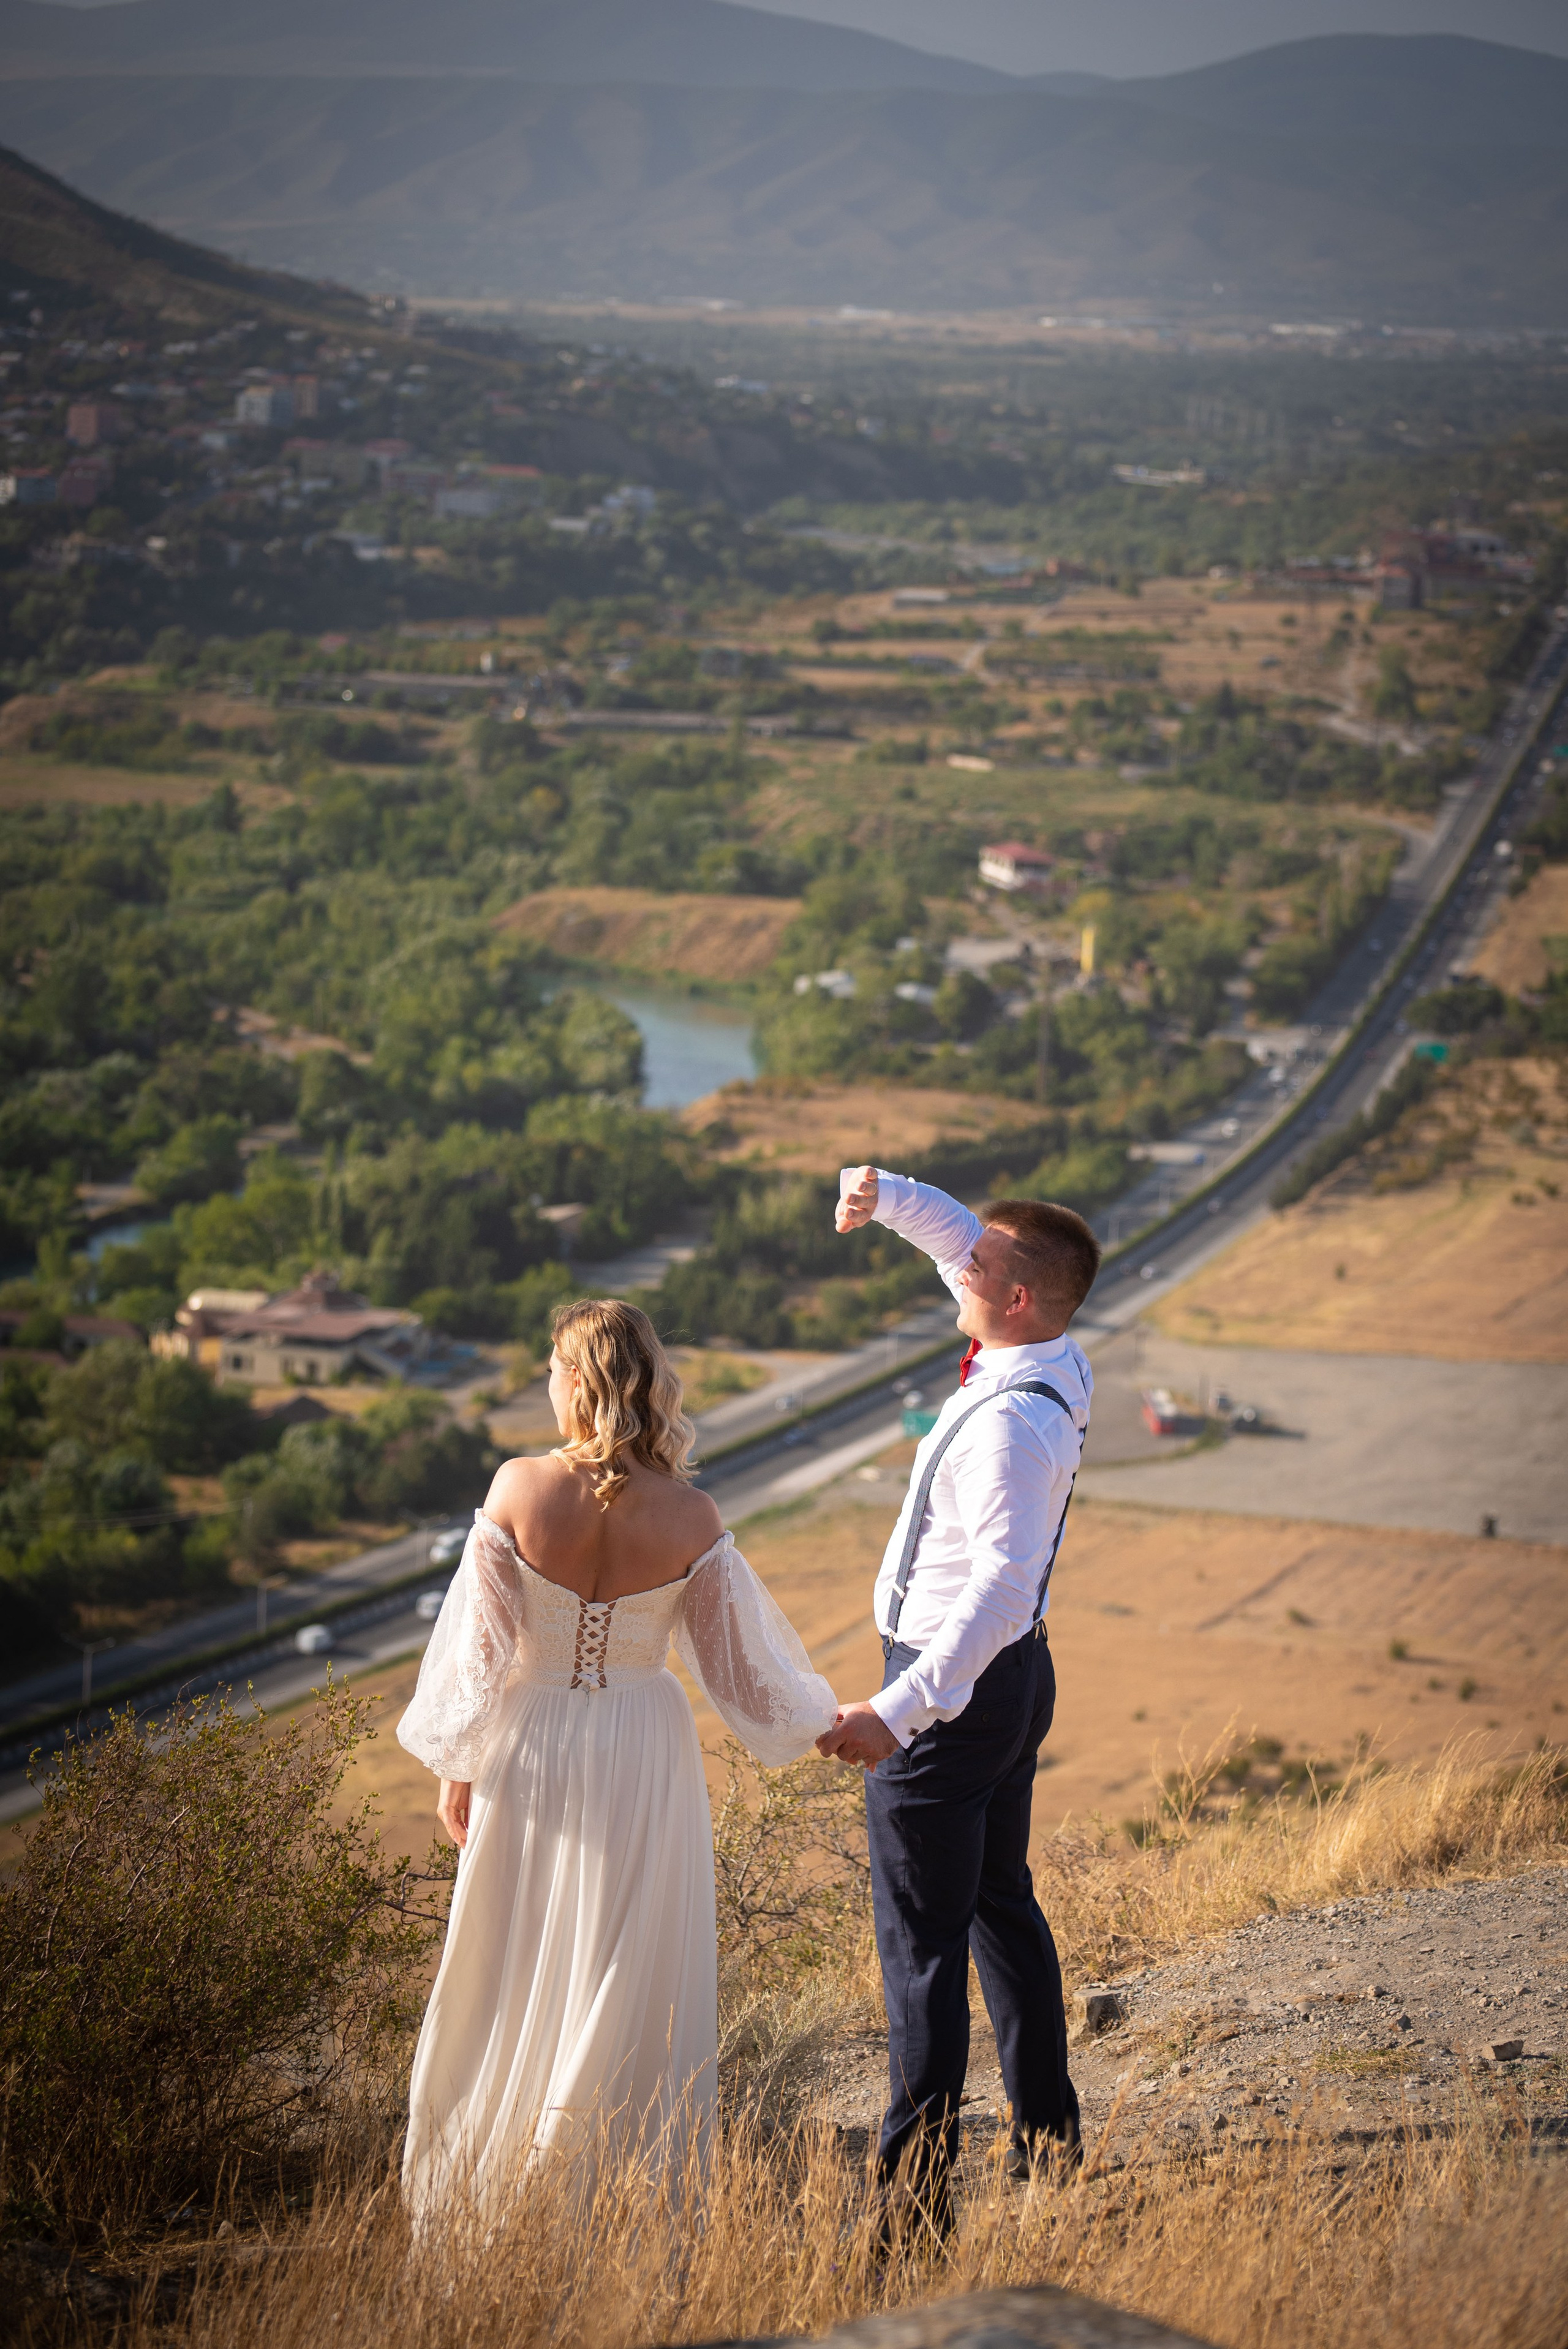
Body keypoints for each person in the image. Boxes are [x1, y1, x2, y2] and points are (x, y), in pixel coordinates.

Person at [397, 1297, 837, 2221]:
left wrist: (456, 1767)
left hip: (530, 1741)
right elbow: (743, 1678)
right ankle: (605, 2194)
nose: (546, 1383)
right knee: (627, 1955)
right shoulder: (691, 1514)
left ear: (579, 1380)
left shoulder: (517, 1488)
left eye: (552, 1368)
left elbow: (477, 1660)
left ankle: (495, 2189)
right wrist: (837, 1719)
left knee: (513, 1952)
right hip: (645, 1745)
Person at [817, 1166, 1099, 2234]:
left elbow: (1000, 1589)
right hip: (1010, 1681)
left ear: (1016, 1298)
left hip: (954, 1694)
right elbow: (957, 1240)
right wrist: (882, 1192)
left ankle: (914, 2211)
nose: (955, 1266)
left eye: (974, 1264)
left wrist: (900, 1711)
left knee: (921, 1952)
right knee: (997, 1906)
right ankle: (1048, 2142)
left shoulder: (1010, 1426)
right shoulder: (1047, 1351)